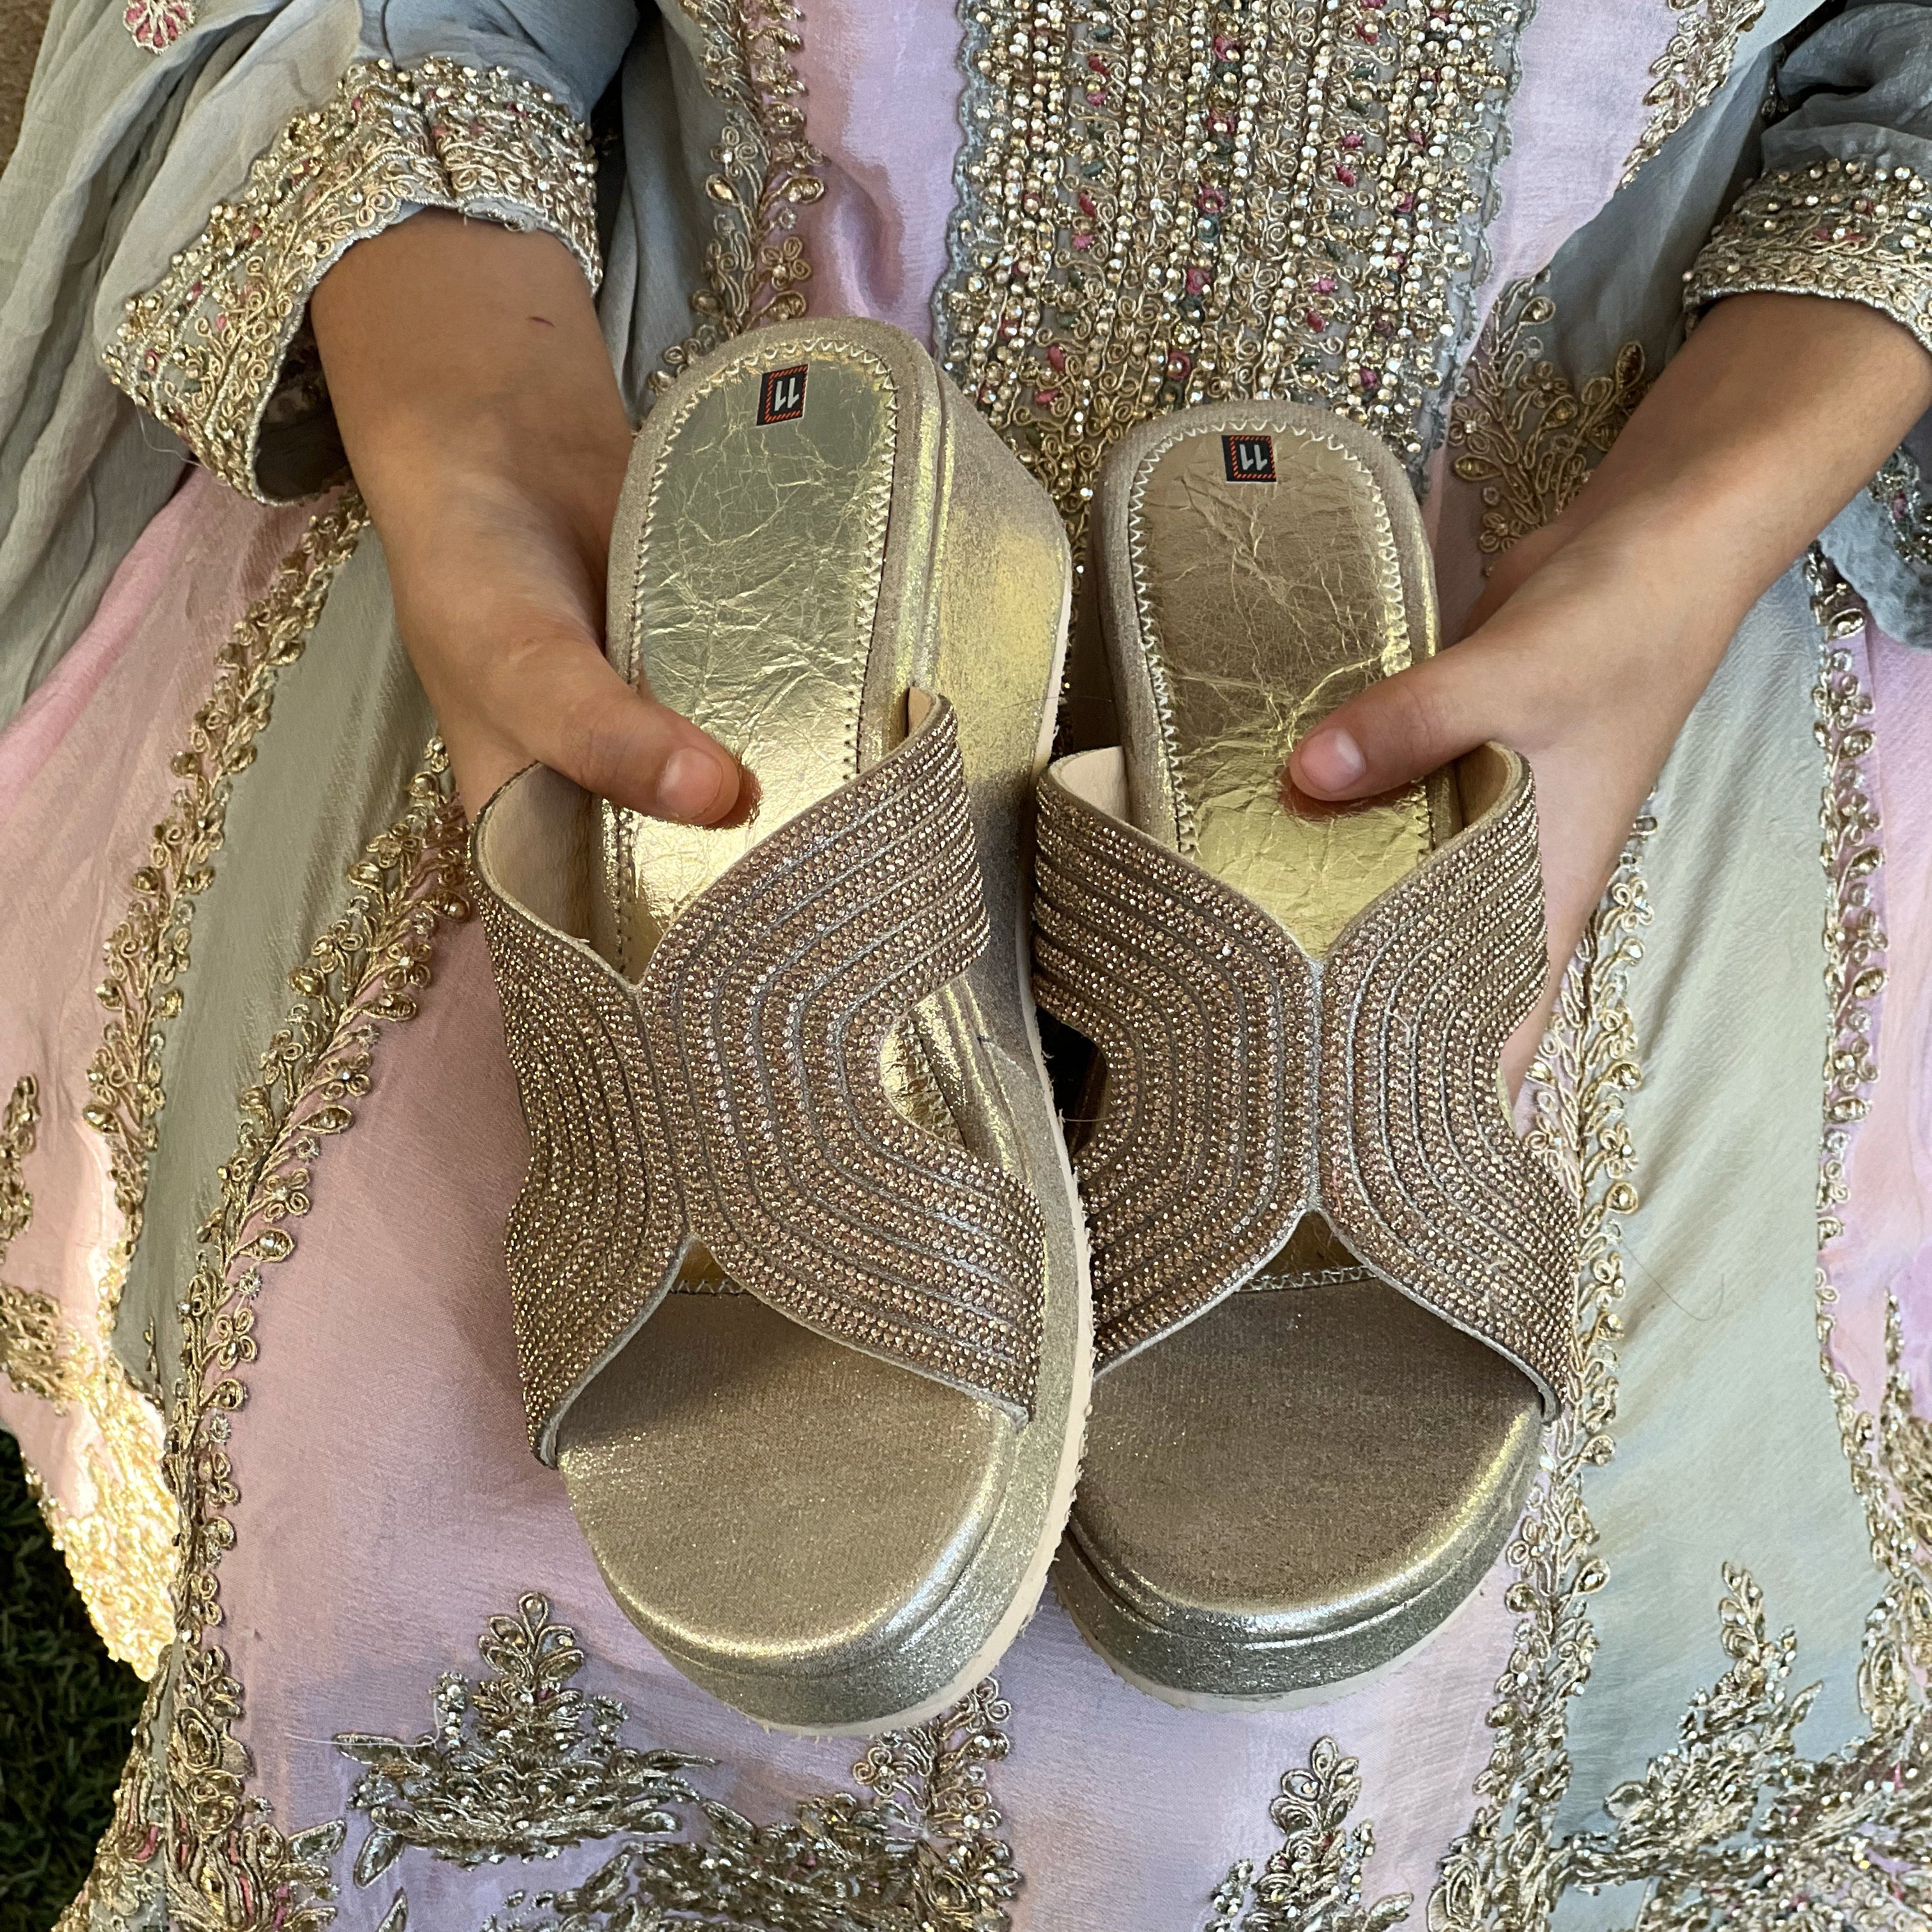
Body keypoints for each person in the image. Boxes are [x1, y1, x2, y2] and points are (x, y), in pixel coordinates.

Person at [1, 3, 1929, 1925]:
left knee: (1509, 1646)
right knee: (394, 1493)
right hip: (702, 513)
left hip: (1595, 541)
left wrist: (1669, 572)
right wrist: (476, 452)